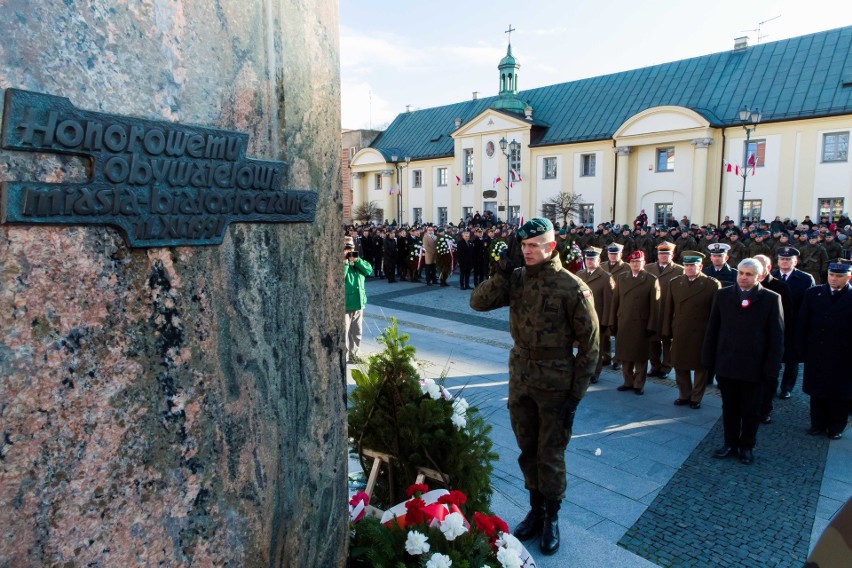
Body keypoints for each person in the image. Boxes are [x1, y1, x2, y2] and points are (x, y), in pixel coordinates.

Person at [470, 218, 599, 555]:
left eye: (533, 246)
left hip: (556, 383)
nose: (527, 252)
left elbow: (591, 346)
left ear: (551, 247)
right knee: (527, 450)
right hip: (521, 377)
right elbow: (478, 302)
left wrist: (576, 394)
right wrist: (502, 269)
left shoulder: (571, 287)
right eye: (523, 246)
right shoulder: (515, 279)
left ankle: (552, 517)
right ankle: (536, 510)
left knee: (551, 454)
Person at [702, 258, 784, 465]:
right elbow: (713, 330)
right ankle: (729, 442)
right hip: (727, 363)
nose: (743, 277)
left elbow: (776, 338)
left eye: (749, 274)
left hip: (754, 367)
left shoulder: (771, 299)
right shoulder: (723, 295)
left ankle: (747, 445)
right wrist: (709, 361)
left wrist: (771, 369)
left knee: (751, 410)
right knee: (729, 408)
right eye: (741, 273)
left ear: (759, 276)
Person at [797, 260, 852, 440]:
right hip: (817, 350)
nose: (834, 279)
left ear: (849, 277)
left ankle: (836, 426)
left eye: (839, 276)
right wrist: (801, 348)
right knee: (817, 388)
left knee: (840, 392)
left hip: (843, 354)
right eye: (831, 275)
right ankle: (817, 423)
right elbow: (803, 322)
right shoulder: (814, 293)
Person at [663, 251, 720, 409]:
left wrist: (713, 334)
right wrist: (667, 330)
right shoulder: (675, 282)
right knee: (680, 364)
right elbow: (669, 309)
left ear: (700, 266)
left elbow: (715, 314)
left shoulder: (711, 284)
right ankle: (684, 394)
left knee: (700, 367)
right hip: (681, 330)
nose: (689, 268)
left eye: (692, 265)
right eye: (686, 265)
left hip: (701, 332)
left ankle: (696, 397)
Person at [610, 250, 660, 395]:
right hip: (624, 321)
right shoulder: (621, 277)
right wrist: (612, 321)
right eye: (632, 262)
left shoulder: (651, 279)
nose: (635, 264)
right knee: (625, 354)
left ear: (643, 263)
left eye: (638, 261)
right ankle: (627, 381)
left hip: (641, 323)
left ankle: (639, 384)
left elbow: (655, 306)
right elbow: (616, 301)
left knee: (640, 356)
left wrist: (651, 325)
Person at [752, 254, 792, 424]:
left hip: (770, 341)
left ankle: (764, 410)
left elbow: (787, 318)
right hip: (750, 342)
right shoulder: (747, 285)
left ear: (767, 268)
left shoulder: (780, 288)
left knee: (769, 378)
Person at [771, 247, 815, 398]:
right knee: (773, 355)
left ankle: (786, 387)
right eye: (782, 259)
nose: (785, 262)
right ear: (777, 261)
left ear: (795, 261)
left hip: (794, 324)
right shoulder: (772, 276)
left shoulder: (805, 279)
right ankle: (771, 384)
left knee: (792, 358)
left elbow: (809, 304)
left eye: (788, 259)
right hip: (774, 323)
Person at [645, 243, 684, 379]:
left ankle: (666, 367)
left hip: (669, 310)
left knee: (667, 339)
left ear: (672, 255)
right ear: (657, 255)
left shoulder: (680, 270)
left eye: (666, 254)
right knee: (652, 339)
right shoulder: (648, 268)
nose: (663, 256)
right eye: (661, 254)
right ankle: (654, 366)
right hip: (653, 309)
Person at [576, 246, 614, 383]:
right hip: (581, 318)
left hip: (597, 318)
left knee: (596, 347)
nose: (589, 261)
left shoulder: (605, 277)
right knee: (582, 345)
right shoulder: (580, 275)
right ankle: (583, 369)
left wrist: (606, 322)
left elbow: (609, 302)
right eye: (587, 259)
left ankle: (595, 371)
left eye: (592, 259)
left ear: (599, 260)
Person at [344, 237, 373, 363]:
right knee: (344, 333)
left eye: (350, 247)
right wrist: (344, 262)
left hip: (359, 303)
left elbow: (368, 270)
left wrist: (357, 260)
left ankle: (354, 354)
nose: (349, 250)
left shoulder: (357, 262)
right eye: (346, 247)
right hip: (346, 305)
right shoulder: (341, 263)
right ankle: (343, 357)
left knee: (357, 332)